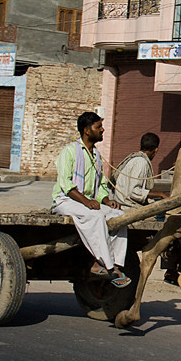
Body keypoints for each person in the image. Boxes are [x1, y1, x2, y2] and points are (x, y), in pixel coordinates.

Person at [51, 112, 131, 288]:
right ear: (87, 131)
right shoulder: (70, 151)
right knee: (95, 217)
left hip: (87, 202)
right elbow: (65, 184)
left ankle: (115, 264)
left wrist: (106, 200)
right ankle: (104, 265)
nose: (102, 130)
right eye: (98, 127)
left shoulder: (96, 155)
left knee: (119, 216)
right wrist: (86, 202)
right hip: (66, 201)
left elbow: (101, 186)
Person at [111, 132, 160, 207]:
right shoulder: (141, 162)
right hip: (126, 207)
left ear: (139, 146)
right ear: (156, 150)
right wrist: (161, 194)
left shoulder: (134, 159)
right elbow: (134, 192)